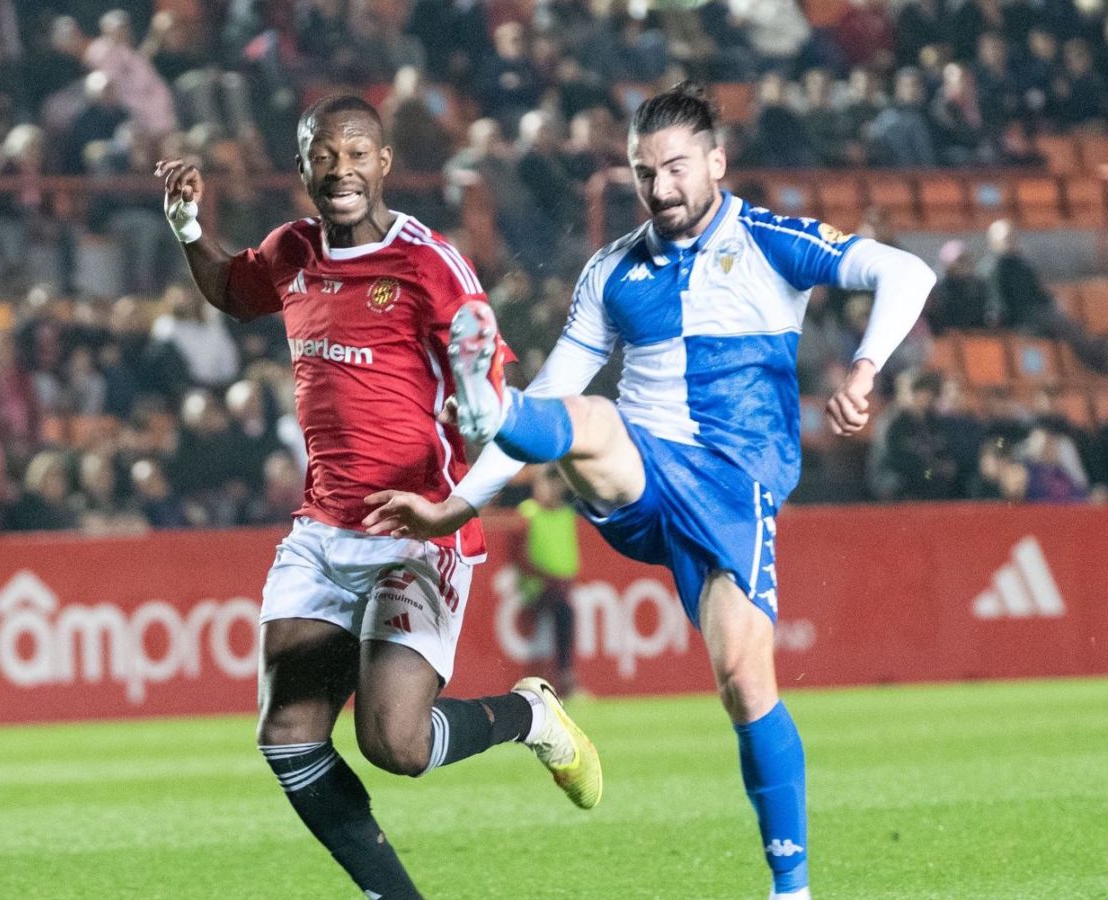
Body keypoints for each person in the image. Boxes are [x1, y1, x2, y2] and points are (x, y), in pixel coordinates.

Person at [364, 81, 935, 900]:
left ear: (716, 161)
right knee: (588, 417)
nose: (661, 188)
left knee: (743, 677)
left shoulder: (773, 242)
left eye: (675, 168)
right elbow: (563, 384)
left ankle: (792, 889)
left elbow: (905, 273)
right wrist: (459, 501)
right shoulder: (612, 271)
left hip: (734, 491)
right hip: (639, 471)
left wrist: (867, 367)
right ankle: (488, 402)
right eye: (644, 173)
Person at [155, 94, 601, 899]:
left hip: (415, 528)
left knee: (394, 745)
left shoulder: (430, 265)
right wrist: (189, 228)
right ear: (302, 167)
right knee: (289, 735)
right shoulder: (292, 249)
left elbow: (495, 406)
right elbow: (231, 289)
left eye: (357, 155)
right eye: (324, 156)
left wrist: (472, 423)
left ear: (385, 164)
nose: (342, 171)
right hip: (323, 528)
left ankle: (530, 716)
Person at [512, 464, 580, 696]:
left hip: (561, 587)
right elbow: (519, 555)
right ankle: (565, 678)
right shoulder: (528, 511)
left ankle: (564, 678)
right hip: (534, 588)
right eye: (547, 482)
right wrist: (548, 578)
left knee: (565, 610)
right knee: (564, 612)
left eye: (556, 482)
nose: (552, 488)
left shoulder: (567, 513)